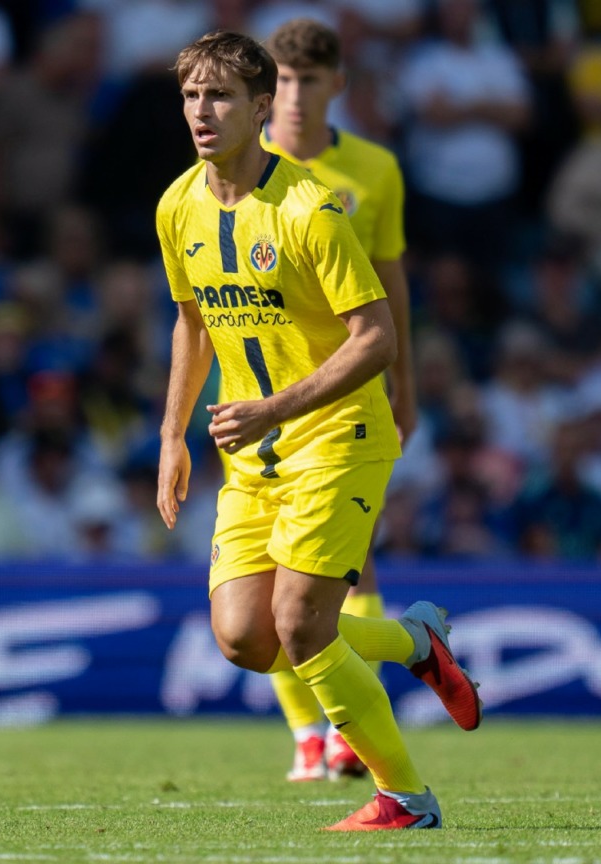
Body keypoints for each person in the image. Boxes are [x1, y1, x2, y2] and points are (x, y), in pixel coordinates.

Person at [153, 31, 480, 831]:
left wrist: (273, 406)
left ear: (262, 109)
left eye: (221, 96)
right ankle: (411, 642)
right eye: (193, 96)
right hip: (253, 455)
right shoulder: (177, 204)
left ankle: (405, 797)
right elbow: (192, 324)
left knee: (301, 625)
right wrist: (171, 438)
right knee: (246, 642)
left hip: (338, 436)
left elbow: (377, 338)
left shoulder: (312, 210)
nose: (203, 111)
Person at [257, 18, 417, 784]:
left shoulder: (374, 171)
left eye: (307, 80)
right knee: (269, 576)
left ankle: (350, 734)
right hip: (261, 398)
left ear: (336, 85)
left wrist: (406, 385)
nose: (293, 95)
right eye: (282, 80)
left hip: (347, 393)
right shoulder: (241, 167)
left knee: (346, 569)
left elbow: (391, 287)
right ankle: (307, 735)